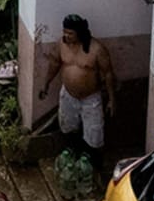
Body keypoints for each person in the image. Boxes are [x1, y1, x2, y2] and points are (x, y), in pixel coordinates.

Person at [39, 14, 116, 159]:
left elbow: (108, 74)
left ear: (79, 33)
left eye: (70, 33)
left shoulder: (97, 49)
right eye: (65, 32)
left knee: (94, 134)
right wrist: (46, 85)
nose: (66, 36)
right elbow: (54, 64)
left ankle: (93, 162)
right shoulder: (62, 45)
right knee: (68, 127)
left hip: (90, 99)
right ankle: (73, 154)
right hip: (68, 95)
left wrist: (112, 100)